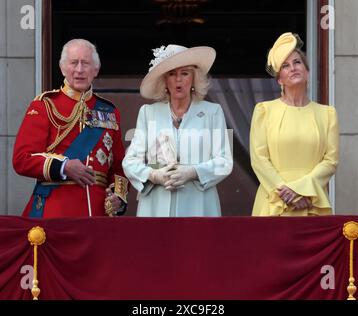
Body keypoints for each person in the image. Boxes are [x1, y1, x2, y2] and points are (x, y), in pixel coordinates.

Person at [13, 39, 128, 218]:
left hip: (98, 214)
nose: (80, 70)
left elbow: (119, 167)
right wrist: (64, 166)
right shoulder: (45, 105)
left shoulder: (109, 111)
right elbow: (22, 159)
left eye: (86, 63)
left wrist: (118, 197)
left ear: (95, 70)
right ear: (62, 68)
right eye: (74, 62)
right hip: (56, 211)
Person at [122, 44, 233, 217]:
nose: (178, 80)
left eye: (184, 73)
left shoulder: (213, 111)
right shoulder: (148, 112)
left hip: (199, 207)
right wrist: (154, 175)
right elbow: (130, 162)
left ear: (194, 78)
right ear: (164, 80)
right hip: (155, 207)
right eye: (172, 74)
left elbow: (225, 162)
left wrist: (193, 172)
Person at [250, 32, 339, 216]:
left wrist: (302, 190)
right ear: (279, 79)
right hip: (274, 203)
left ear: (307, 72)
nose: (293, 68)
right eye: (285, 65)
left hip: (312, 203)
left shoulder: (327, 114)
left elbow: (331, 161)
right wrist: (287, 192)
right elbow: (259, 159)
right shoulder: (264, 111)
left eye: (297, 62)